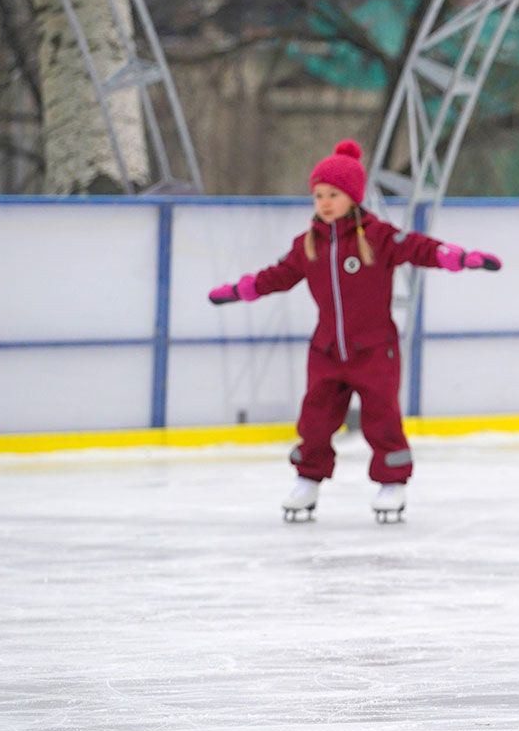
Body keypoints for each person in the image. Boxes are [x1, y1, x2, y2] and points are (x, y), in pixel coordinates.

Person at [208, 139, 501, 523]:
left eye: (333, 194)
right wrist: (240, 290)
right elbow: (276, 276)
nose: (325, 202)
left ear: (353, 197)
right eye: (318, 195)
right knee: (314, 421)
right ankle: (307, 481)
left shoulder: (377, 237)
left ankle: (392, 483)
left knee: (383, 419)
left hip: (375, 349)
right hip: (327, 351)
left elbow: (419, 248)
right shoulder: (308, 245)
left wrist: (462, 258)